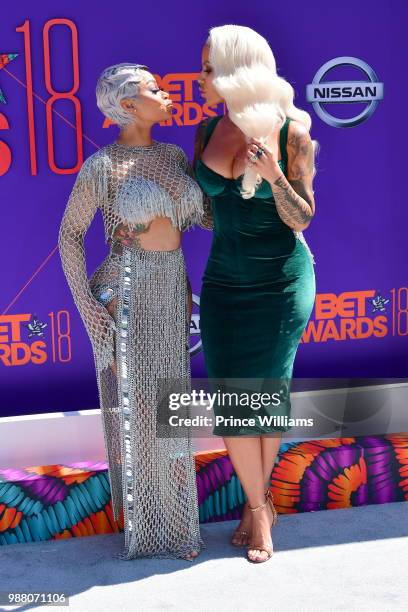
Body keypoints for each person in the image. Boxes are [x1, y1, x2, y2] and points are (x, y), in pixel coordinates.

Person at [58, 63, 206, 561]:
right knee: (142, 413)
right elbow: (69, 237)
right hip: (124, 292)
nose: (167, 94)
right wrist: (90, 312)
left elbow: (198, 219)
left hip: (169, 291)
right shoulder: (102, 167)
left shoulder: (173, 155)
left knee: (171, 409)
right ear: (127, 106)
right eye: (156, 89)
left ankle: (178, 523)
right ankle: (148, 531)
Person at [194, 25, 318, 563]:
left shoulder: (292, 130)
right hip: (224, 281)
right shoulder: (204, 132)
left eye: (206, 68)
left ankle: (257, 508)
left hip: (281, 281)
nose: (199, 79)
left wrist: (272, 177)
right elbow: (204, 211)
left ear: (233, 71)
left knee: (265, 396)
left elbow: (303, 217)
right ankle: (259, 501)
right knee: (234, 399)